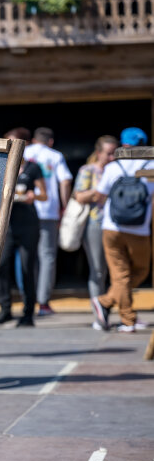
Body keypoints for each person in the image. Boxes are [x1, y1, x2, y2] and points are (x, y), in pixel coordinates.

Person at [90, 128, 153, 333]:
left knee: (121, 276)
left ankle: (105, 301)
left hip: (112, 227)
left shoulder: (113, 167)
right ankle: (128, 320)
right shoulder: (151, 165)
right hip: (140, 229)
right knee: (141, 270)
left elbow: (100, 195)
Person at [24, 127, 72, 316]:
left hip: (25, 210)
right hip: (48, 211)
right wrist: (64, 206)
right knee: (47, 256)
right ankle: (43, 302)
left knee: (26, 256)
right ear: (50, 141)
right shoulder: (55, 155)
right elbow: (65, 181)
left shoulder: (24, 152)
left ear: (34, 140)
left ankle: (26, 299)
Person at [0, 155, 47, 327]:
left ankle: (28, 313)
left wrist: (34, 196)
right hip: (7, 224)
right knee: (1, 265)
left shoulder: (33, 168)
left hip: (27, 223)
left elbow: (44, 195)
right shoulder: (2, 165)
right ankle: (5, 309)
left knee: (26, 268)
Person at [73, 135, 118, 319]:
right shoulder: (88, 170)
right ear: (98, 153)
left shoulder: (117, 170)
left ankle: (114, 308)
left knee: (116, 271)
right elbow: (79, 196)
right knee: (98, 270)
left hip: (117, 225)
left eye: (115, 153)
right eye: (108, 153)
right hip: (95, 223)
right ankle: (99, 314)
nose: (112, 158)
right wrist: (99, 192)